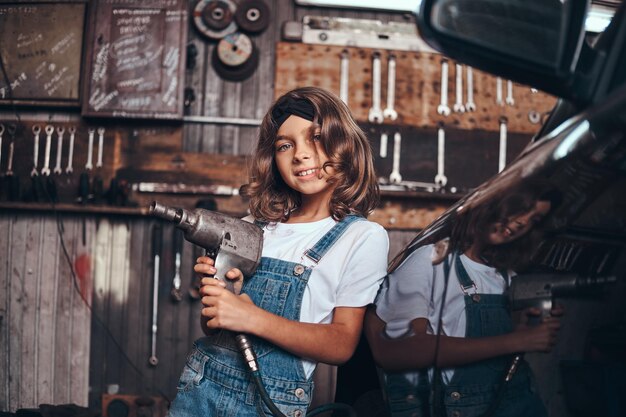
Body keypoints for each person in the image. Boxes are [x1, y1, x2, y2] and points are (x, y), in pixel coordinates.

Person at [167, 86, 390, 417]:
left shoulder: (362, 237)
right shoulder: (251, 228)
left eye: (315, 138)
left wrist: (251, 317)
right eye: (285, 145)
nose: (300, 154)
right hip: (201, 388)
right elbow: (212, 329)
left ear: (343, 144)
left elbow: (341, 344)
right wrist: (219, 297)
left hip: (270, 401)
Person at [365, 183, 563, 417]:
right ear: (492, 200)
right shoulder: (431, 260)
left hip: (518, 402)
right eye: (522, 208)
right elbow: (396, 352)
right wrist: (517, 341)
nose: (523, 222)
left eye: (535, 219)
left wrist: (526, 327)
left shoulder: (506, 277)